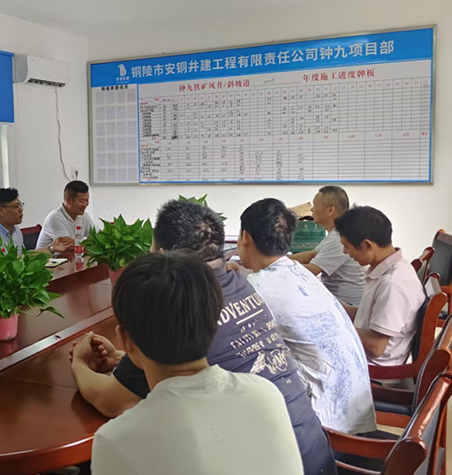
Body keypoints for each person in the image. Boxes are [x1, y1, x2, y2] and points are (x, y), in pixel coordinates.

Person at [71, 200, 336, 475]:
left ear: (163, 256)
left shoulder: (173, 305)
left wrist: (79, 363)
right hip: (315, 455)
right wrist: (123, 357)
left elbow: (112, 401)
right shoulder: (241, 286)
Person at [89, 252, 303, 475]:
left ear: (125, 340)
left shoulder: (117, 441)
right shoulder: (266, 394)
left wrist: (79, 364)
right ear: (215, 321)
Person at [239, 198, 375, 435]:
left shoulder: (259, 287)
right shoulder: (299, 273)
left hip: (328, 428)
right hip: (355, 411)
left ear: (245, 237)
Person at [335, 206, 425, 366]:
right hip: (361, 356)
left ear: (367, 245)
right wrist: (332, 304)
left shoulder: (392, 284)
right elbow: (366, 316)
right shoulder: (389, 268)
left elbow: (376, 347)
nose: (344, 251)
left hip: (371, 369)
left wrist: (336, 325)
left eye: (346, 246)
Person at [291, 186, 365, 306]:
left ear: (330, 210)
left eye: (315, 205)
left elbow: (311, 270)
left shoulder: (339, 237)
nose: (311, 209)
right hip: (339, 301)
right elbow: (311, 254)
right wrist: (280, 259)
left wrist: (277, 265)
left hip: (348, 305)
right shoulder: (335, 233)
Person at [0, 188, 70, 254]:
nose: (21, 210)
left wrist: (52, 248)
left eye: (20, 205)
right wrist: (50, 249)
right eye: (16, 206)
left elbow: (23, 257)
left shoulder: (16, 231)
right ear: (1, 211)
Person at [36, 180, 91, 251]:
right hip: (47, 257)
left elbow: (98, 236)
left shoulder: (84, 216)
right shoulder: (55, 218)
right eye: (82, 201)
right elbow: (69, 245)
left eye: (87, 200)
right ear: (68, 201)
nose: (85, 204)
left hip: (69, 257)